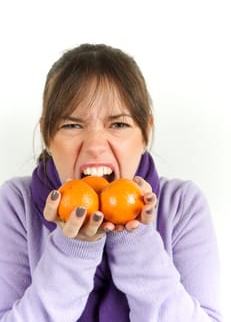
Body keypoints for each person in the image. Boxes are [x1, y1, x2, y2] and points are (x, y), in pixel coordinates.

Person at [0, 43, 222, 322]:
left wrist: (135, 239)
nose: (94, 145)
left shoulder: (183, 206)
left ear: (145, 133)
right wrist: (73, 250)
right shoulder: (15, 204)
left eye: (118, 124)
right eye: (72, 125)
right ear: (47, 135)